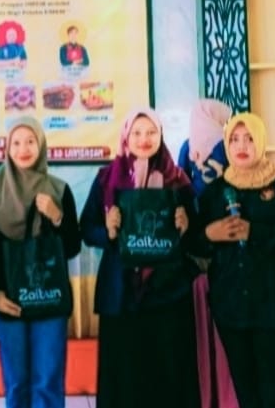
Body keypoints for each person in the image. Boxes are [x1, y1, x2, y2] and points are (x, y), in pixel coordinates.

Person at [194, 113, 275, 408]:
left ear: (261, 142)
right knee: (248, 396)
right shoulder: (214, 192)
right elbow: (194, 244)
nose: (242, 146)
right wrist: (209, 234)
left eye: (249, 139)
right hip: (233, 312)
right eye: (235, 139)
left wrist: (256, 232)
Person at [79, 108, 200, 408]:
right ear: (126, 137)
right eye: (137, 133)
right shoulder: (107, 178)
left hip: (168, 294)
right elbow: (87, 229)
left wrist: (187, 226)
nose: (144, 139)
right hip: (121, 296)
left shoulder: (178, 180)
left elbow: (198, 239)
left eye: (151, 132)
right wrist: (107, 231)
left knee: (168, 375)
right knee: (124, 378)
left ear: (161, 136)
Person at [0, 116, 81, 408]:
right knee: (17, 383)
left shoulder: (59, 190)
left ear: (41, 145)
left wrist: (57, 217)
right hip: (9, 303)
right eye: (17, 143)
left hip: (49, 299)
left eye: (30, 141)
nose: (23, 149)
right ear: (7, 148)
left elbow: (72, 247)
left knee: (48, 381)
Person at [177, 98, 232, 197]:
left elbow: (182, 178)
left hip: (197, 197)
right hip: (224, 197)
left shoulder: (188, 145)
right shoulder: (228, 143)